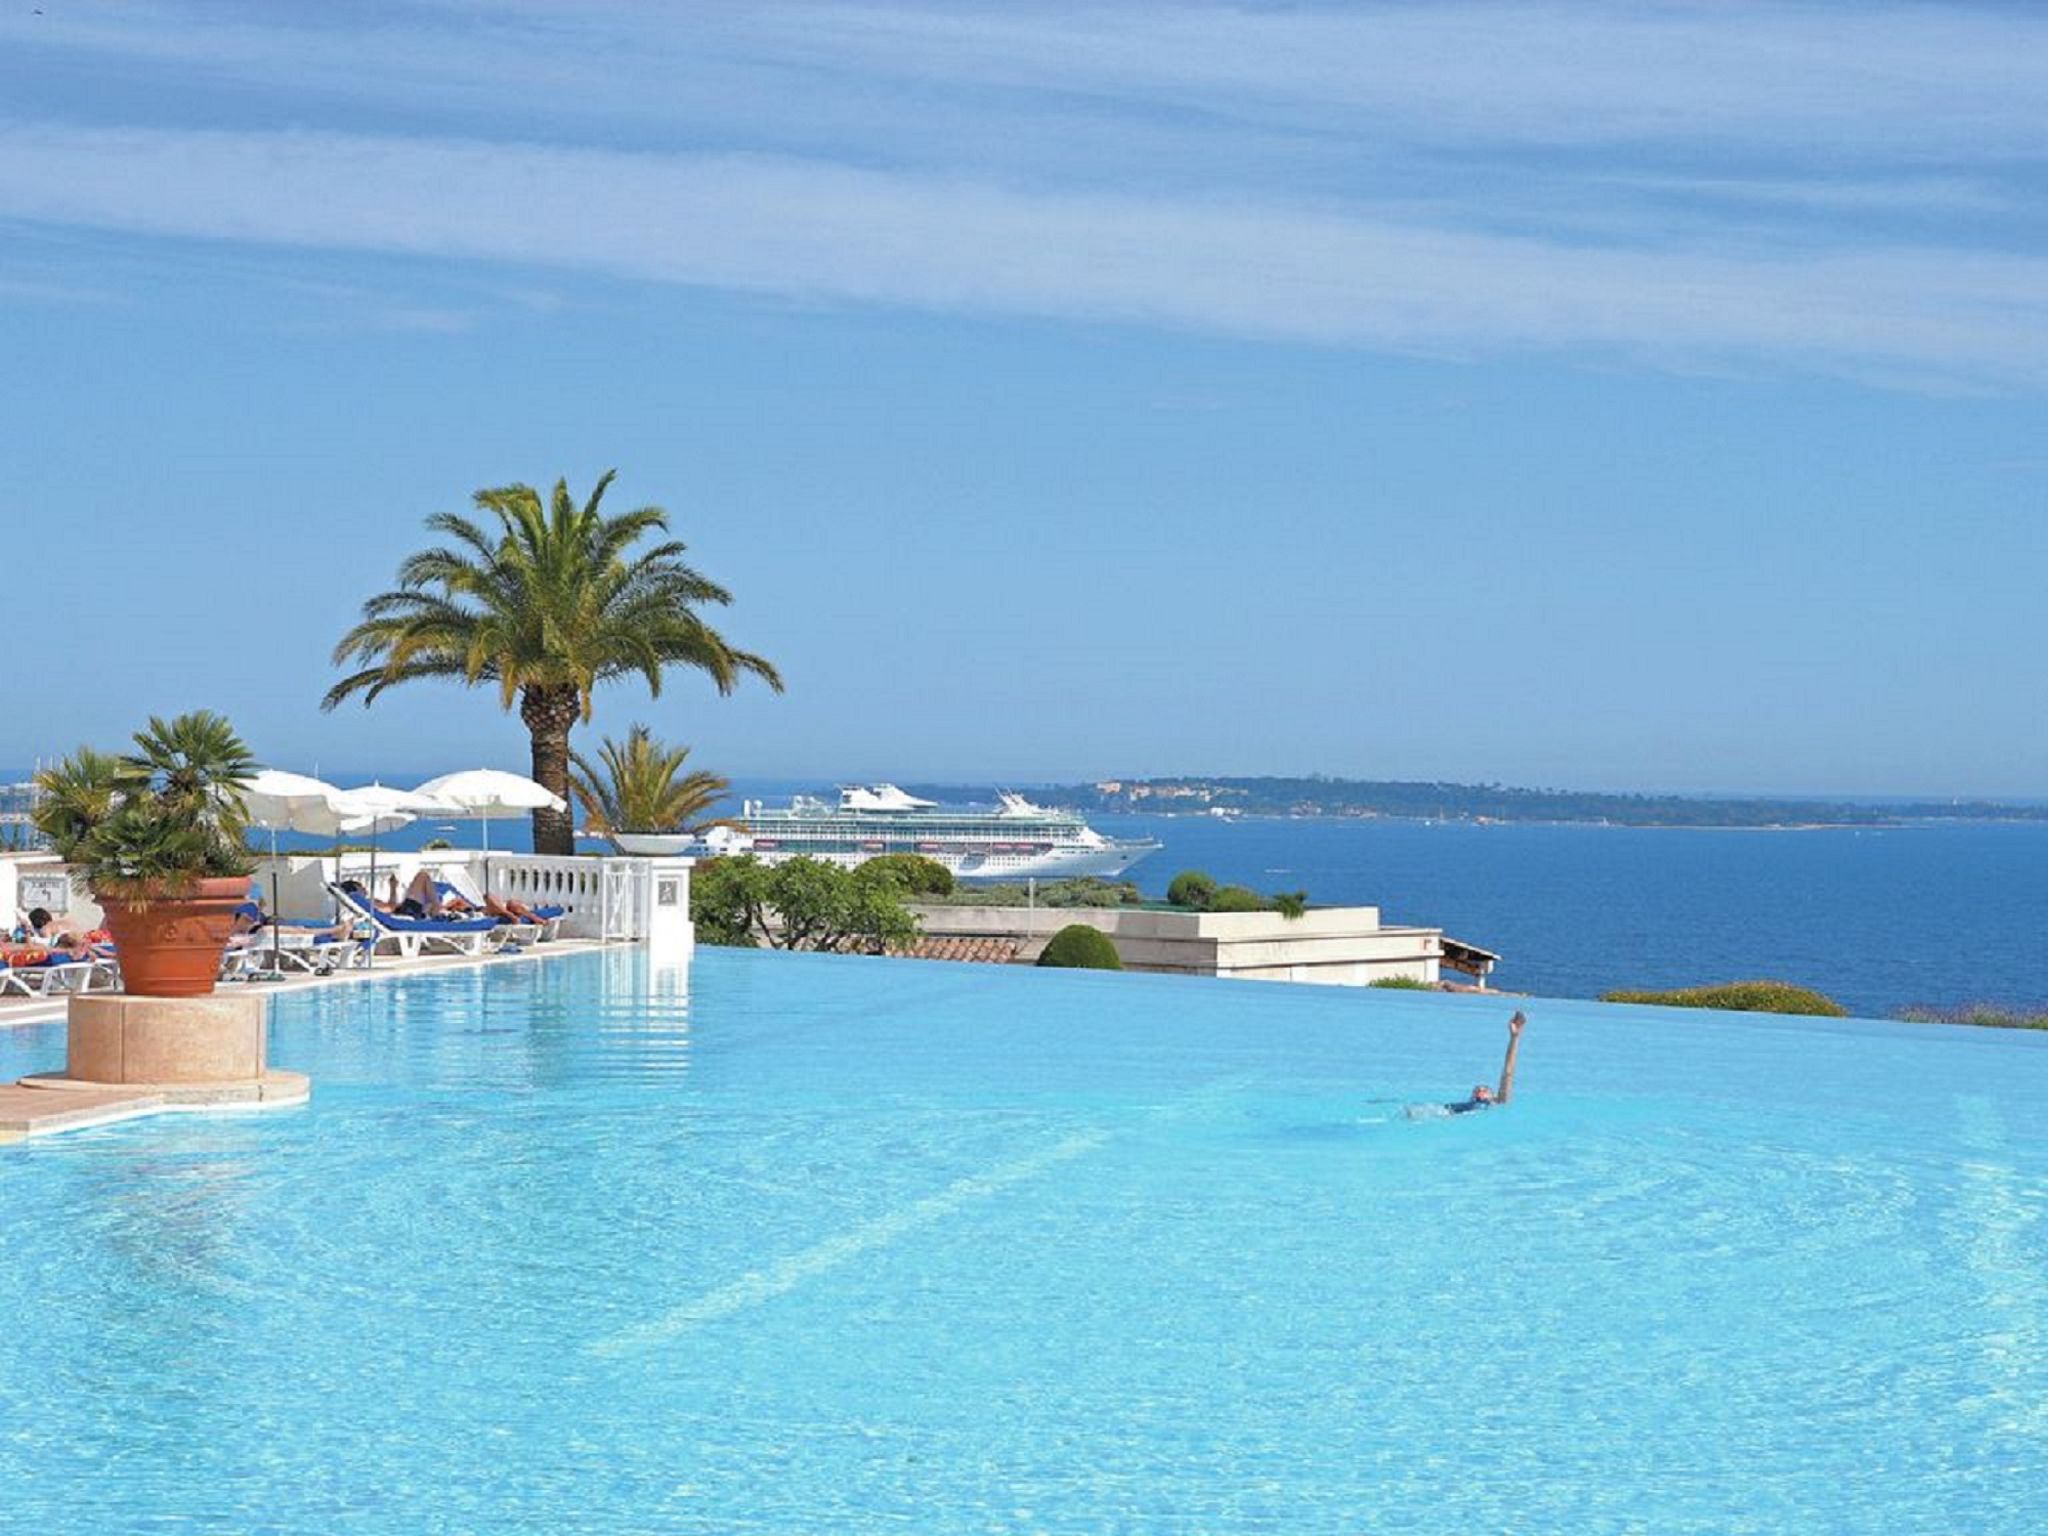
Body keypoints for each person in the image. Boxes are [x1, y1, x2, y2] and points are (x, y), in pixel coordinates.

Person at [1445, 1011, 1525, 1114]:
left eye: (1485, 1090)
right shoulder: (1458, 1106)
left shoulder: (1499, 1101)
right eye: (1477, 1089)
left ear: (1493, 1096)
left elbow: (1508, 1072)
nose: (1480, 1090)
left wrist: (1514, 1038)